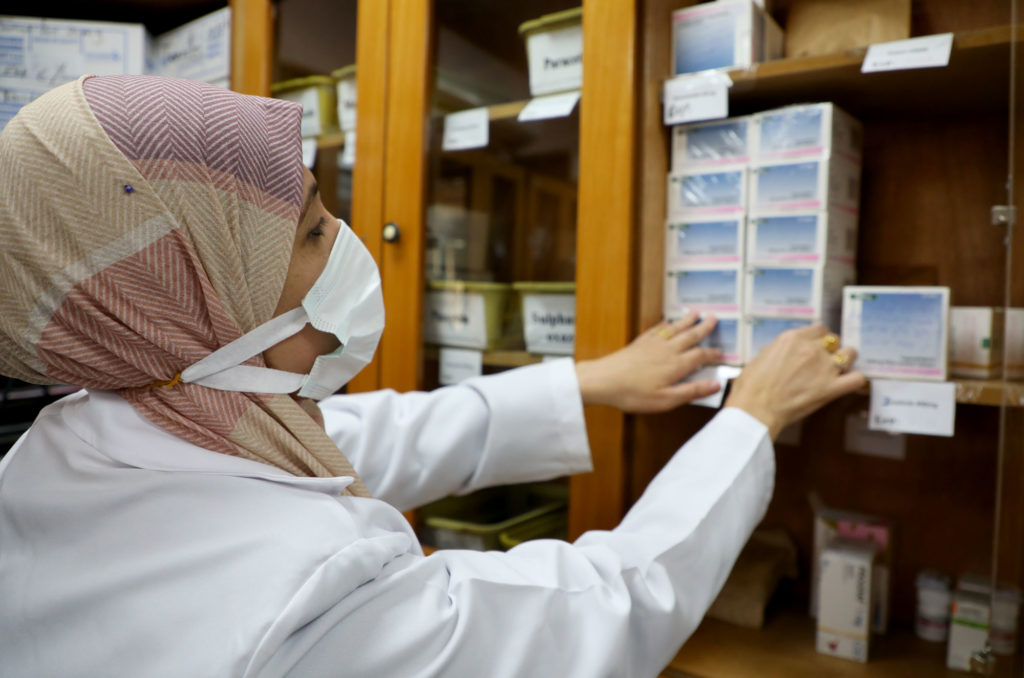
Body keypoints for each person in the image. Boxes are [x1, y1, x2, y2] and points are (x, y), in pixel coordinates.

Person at [0, 75, 864, 678]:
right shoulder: (306, 600)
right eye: (307, 232)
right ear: (199, 298)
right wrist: (749, 420)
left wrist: (588, 383)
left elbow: (363, 439)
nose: (348, 239)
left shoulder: (83, 432)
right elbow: (607, 614)